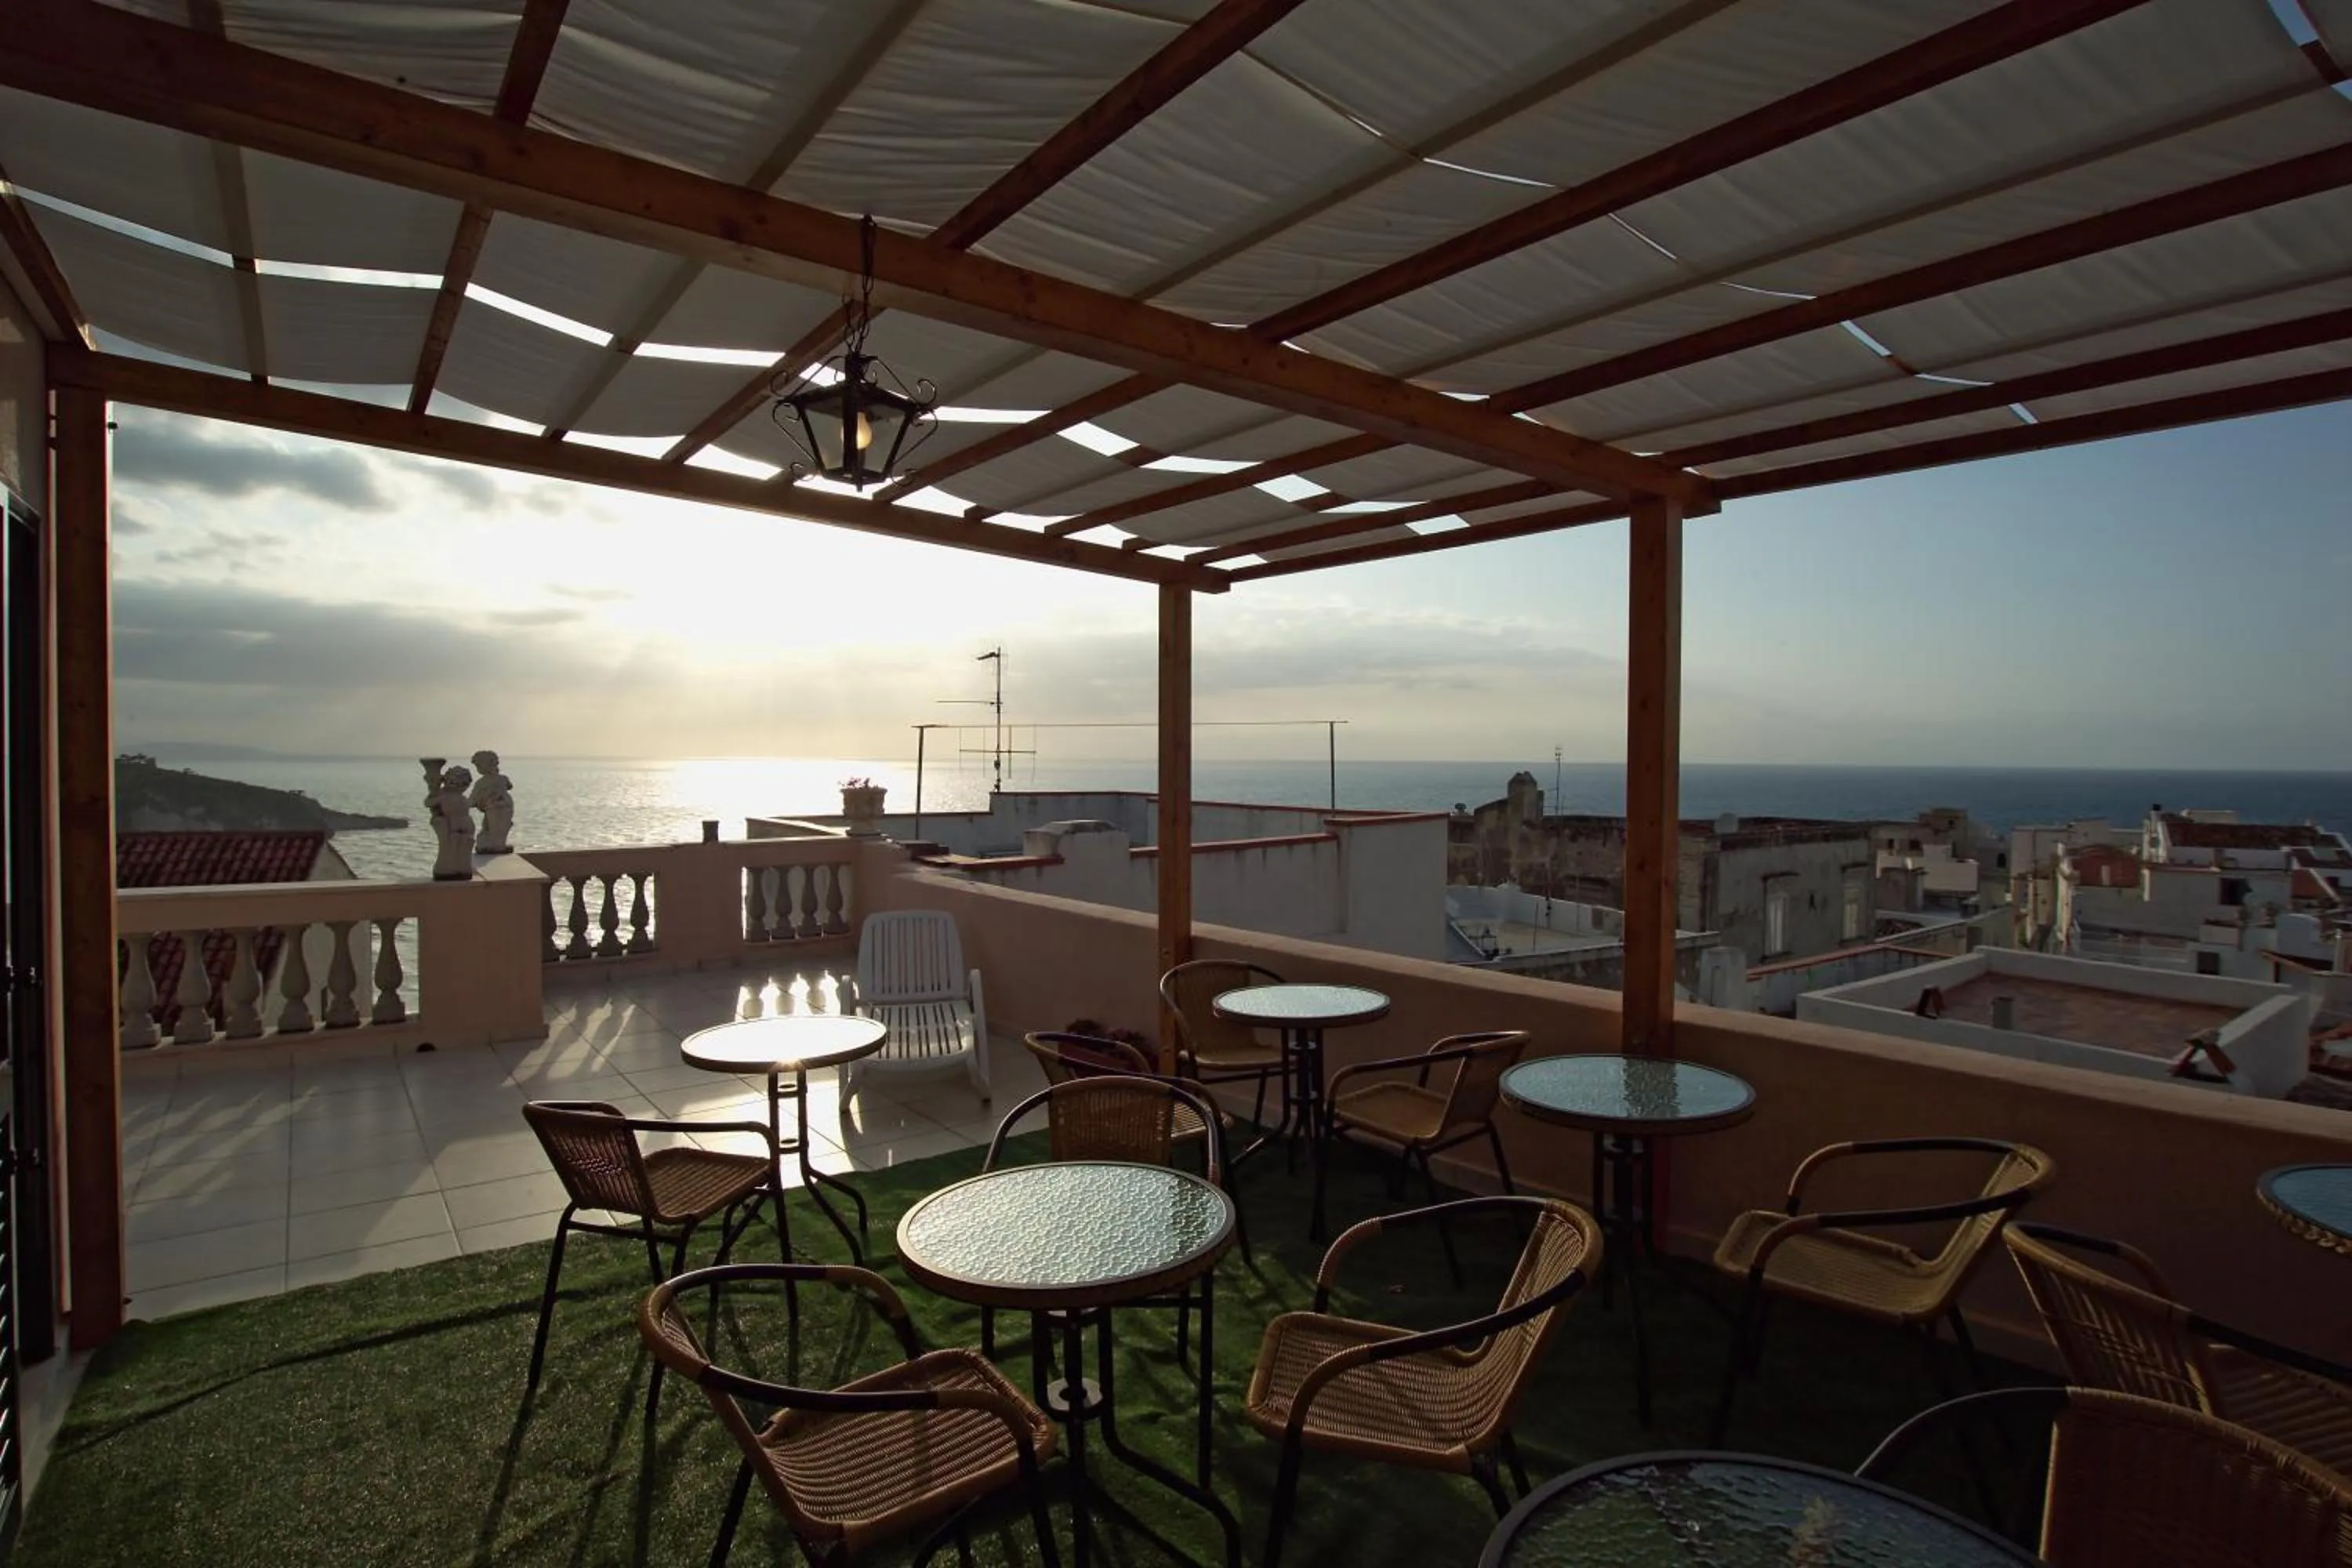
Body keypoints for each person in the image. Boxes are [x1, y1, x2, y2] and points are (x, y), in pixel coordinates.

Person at [430, 763, 476, 880]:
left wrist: (435, 788)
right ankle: (461, 869)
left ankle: (455, 869)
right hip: (464, 823)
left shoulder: (445, 797)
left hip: (455, 823)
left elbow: (428, 803)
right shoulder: (462, 798)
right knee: (460, 847)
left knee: (458, 847)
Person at [469, 750, 514, 854]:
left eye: (478, 766)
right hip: (507, 805)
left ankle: (497, 846)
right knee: (499, 827)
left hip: (494, 808)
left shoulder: (481, 783)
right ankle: (497, 844)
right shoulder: (503, 778)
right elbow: (510, 786)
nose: (477, 769)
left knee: (494, 828)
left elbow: (472, 800)